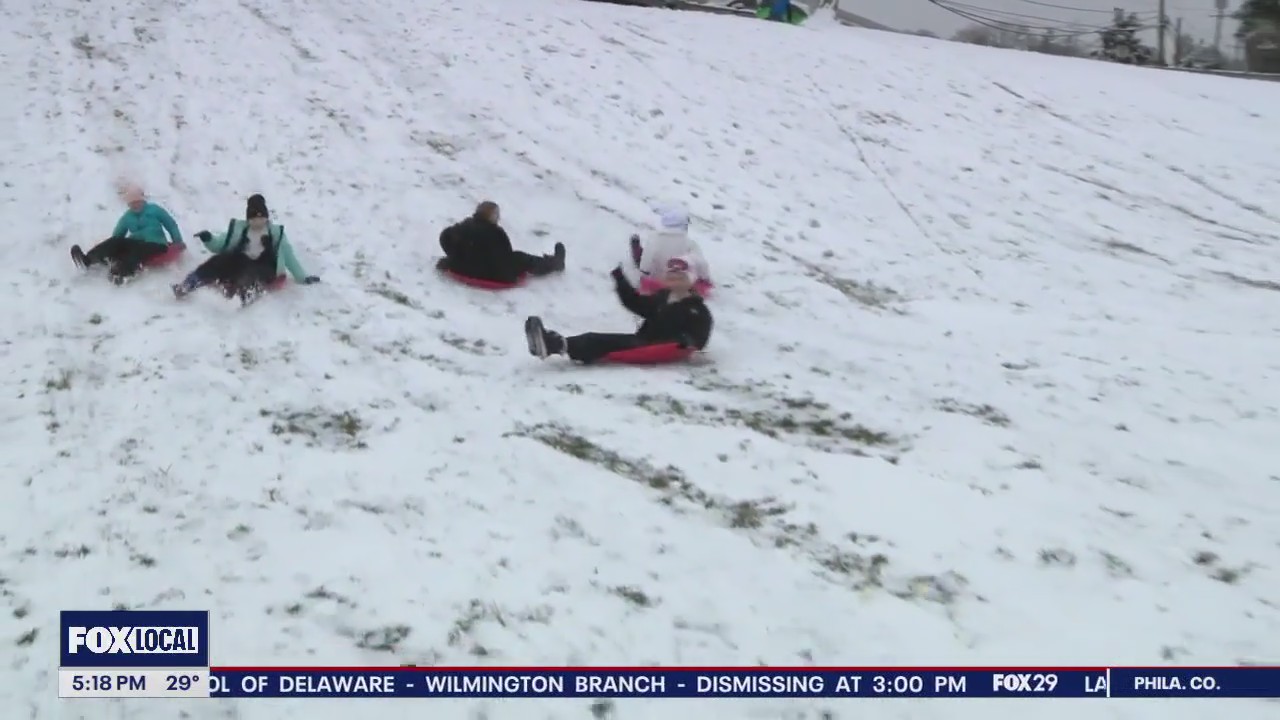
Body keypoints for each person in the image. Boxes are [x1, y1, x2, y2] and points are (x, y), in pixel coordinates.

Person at [525, 256, 713, 364]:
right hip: (644, 342)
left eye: (680, 277)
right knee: (601, 341)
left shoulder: (697, 310)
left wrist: (685, 343)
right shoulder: (663, 297)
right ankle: (554, 344)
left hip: (656, 347)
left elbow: (698, 339)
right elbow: (635, 303)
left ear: (691, 280)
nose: (674, 280)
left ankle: (553, 344)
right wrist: (621, 281)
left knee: (598, 340)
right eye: (671, 276)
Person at [173, 194, 319, 302]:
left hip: (266, 266)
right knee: (219, 260)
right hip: (242, 261)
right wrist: (208, 238)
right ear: (248, 219)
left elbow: (288, 255)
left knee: (251, 274)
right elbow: (220, 244)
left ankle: (241, 295)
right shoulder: (239, 229)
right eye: (254, 218)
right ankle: (190, 283)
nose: (258, 221)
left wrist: (302, 277)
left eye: (262, 218)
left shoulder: (275, 233)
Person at [71, 184, 184, 284]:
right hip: (136, 242)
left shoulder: (154, 210)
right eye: (132, 203)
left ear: (142, 200)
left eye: (137, 202)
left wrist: (177, 241)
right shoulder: (127, 216)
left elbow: (171, 224)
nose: (135, 205)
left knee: (137, 250)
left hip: (156, 243)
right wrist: (113, 248)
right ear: (128, 204)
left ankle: (123, 271)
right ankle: (87, 260)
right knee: (116, 241)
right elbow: (117, 235)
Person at [437, 201, 565, 284]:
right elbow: (505, 259)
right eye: (497, 214)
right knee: (520, 257)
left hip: (462, 267)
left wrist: (453, 257)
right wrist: (512, 274)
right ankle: (555, 263)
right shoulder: (495, 233)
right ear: (492, 216)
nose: (499, 218)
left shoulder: (464, 226)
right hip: (489, 274)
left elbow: (445, 237)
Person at [630, 206, 711, 290]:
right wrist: (705, 278)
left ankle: (636, 248)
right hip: (680, 282)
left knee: (641, 255)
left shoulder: (654, 239)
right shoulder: (690, 243)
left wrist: (644, 275)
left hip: (657, 281)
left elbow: (644, 266)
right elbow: (701, 264)